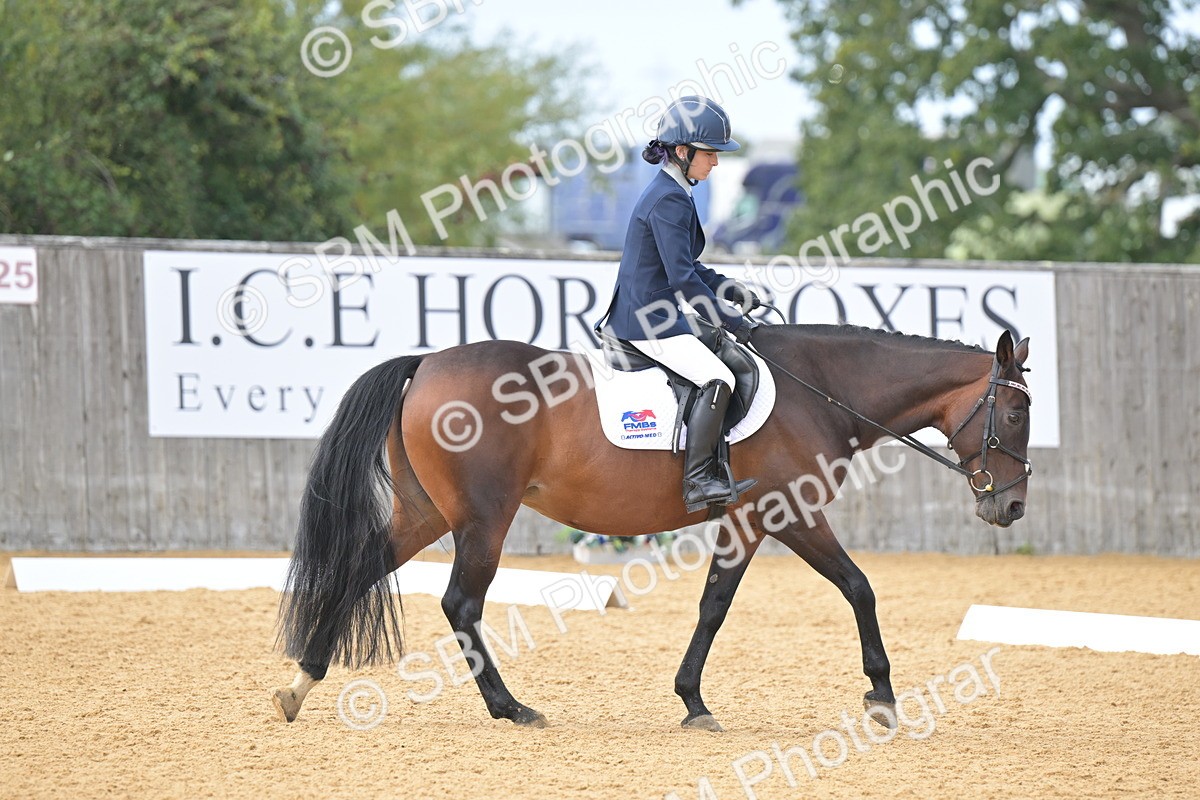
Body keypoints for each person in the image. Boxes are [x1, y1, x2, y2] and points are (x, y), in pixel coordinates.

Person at [597, 95, 760, 513]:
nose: (716, 162)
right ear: (683, 152)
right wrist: (730, 321)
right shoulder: (669, 198)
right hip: (646, 321)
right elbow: (683, 279)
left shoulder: (673, 191)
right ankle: (699, 480)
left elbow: (688, 265)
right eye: (710, 153)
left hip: (656, 312)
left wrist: (729, 289)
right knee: (718, 377)